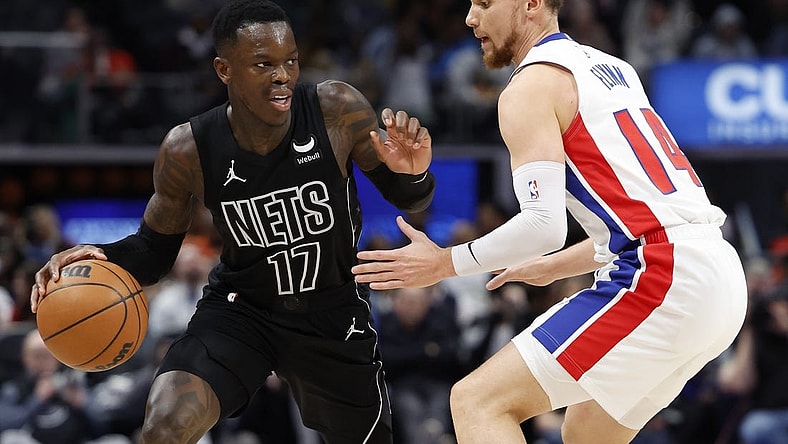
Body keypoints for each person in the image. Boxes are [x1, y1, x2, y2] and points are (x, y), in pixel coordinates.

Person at [30, 1, 435, 443]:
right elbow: (154, 253)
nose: (283, 75)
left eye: (291, 61)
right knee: (164, 427)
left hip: (333, 313)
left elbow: (409, 197)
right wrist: (102, 256)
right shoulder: (187, 148)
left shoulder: (336, 108)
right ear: (224, 69)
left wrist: (413, 170)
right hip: (242, 310)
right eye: (264, 64)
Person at [352, 0, 748, 443]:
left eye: (483, 3)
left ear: (531, 5)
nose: (470, 17)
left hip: (666, 276)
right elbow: (648, 215)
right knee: (585, 431)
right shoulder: (612, 67)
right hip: (719, 277)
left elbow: (543, 226)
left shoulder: (530, 86)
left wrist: (445, 262)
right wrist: (556, 266)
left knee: (478, 401)